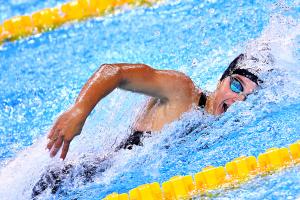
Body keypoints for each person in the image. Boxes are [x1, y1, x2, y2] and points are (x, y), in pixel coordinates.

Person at [32, 53, 261, 197]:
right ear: (222, 79)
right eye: (237, 86)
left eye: (247, 97)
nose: (236, 100)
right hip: (69, 183)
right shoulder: (183, 92)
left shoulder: (220, 128)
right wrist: (79, 110)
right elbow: (114, 72)